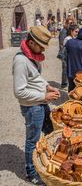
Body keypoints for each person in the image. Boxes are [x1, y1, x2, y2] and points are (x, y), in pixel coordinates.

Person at [12, 26, 60, 185]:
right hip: (32, 107)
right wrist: (43, 96)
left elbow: (35, 78)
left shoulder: (31, 56)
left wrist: (47, 86)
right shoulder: (20, 61)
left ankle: (47, 161)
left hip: (40, 103)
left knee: (51, 131)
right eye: (41, 46)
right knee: (32, 140)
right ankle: (31, 173)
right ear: (32, 43)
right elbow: (19, 92)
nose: (43, 50)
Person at [65, 27, 82, 92]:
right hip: (81, 71)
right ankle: (77, 101)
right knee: (80, 88)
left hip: (70, 69)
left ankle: (70, 100)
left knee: (71, 86)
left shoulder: (69, 42)